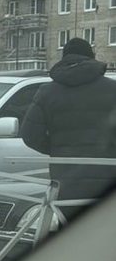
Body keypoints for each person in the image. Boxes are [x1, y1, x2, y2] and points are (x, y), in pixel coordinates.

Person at [21, 37, 116, 221]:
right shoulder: (113, 90)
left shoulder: (47, 92)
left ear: (64, 59)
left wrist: (57, 149)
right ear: (92, 57)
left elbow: (30, 135)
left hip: (65, 183)